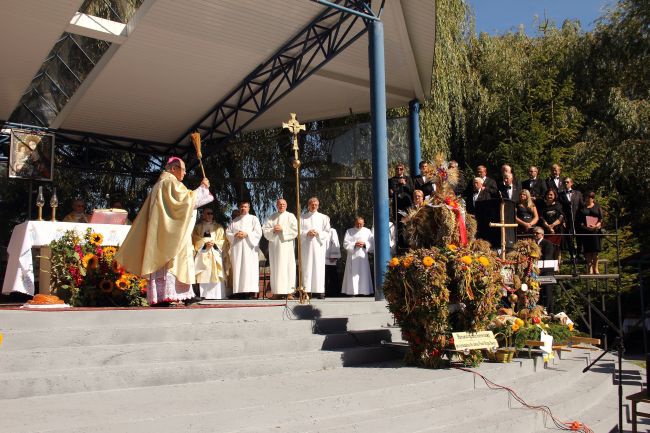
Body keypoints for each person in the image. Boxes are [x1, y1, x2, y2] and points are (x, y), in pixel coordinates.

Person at [114, 156, 213, 306]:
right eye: (183, 170)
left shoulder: (162, 183)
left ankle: (185, 294)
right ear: (173, 169)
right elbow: (185, 201)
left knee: (180, 261)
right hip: (169, 233)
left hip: (169, 230)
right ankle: (166, 296)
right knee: (173, 262)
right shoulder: (169, 182)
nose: (185, 173)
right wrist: (203, 189)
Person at [262, 198, 298, 298]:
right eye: (279, 204)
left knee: (288, 267)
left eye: (283, 204)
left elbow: (295, 231)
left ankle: (289, 293)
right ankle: (277, 292)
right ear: (276, 205)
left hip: (286, 246)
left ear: (286, 205)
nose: (281, 206)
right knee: (276, 268)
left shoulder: (290, 216)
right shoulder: (271, 217)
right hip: (275, 247)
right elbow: (265, 230)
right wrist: (273, 230)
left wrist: (283, 229)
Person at [226, 201, 263, 299]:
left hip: (249, 249)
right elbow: (228, 232)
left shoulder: (253, 219)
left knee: (249, 269)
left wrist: (247, 234)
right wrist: (235, 235)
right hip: (237, 249)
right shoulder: (235, 221)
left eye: (245, 207)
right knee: (238, 268)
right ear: (239, 208)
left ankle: (250, 293)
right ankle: (239, 292)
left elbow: (258, 232)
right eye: (242, 207)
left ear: (249, 208)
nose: (243, 208)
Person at [192, 208, 227, 300]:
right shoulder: (198, 227)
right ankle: (205, 295)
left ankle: (217, 295)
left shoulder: (218, 227)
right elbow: (195, 239)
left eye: (211, 213)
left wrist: (214, 244)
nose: (210, 215)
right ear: (203, 214)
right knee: (204, 273)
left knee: (217, 272)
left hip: (215, 253)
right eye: (207, 213)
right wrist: (204, 244)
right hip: (203, 253)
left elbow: (223, 240)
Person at [300, 197, 331, 299]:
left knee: (319, 267)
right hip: (307, 247)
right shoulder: (302, 218)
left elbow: (327, 231)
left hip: (318, 246)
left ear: (318, 205)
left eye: (316, 205)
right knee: (307, 267)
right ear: (308, 205)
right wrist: (306, 233)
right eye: (312, 204)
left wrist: (318, 233)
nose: (314, 206)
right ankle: (307, 291)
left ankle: (320, 291)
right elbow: (298, 232)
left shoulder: (324, 217)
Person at [341, 216, 374, 296]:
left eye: (361, 224)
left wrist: (365, 244)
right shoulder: (349, 231)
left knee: (363, 272)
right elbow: (345, 244)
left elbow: (372, 242)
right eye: (357, 224)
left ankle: (364, 291)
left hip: (362, 256)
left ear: (363, 223)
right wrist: (354, 244)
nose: (359, 225)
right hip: (352, 255)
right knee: (352, 274)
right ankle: (353, 292)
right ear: (355, 223)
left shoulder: (368, 231)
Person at [577, 191, 603, 274]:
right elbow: (579, 221)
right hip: (585, 231)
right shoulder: (582, 208)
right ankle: (589, 268)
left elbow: (600, 219)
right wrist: (586, 227)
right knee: (587, 251)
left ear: (593, 198)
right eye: (586, 197)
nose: (588, 199)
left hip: (595, 231)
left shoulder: (597, 207)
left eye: (590, 198)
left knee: (595, 251)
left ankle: (596, 267)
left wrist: (596, 226)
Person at [537, 189, 565, 260]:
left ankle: (557, 268)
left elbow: (561, 217)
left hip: (557, 231)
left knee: (557, 250)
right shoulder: (543, 206)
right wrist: (548, 227)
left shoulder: (558, 205)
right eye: (548, 194)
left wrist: (552, 225)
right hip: (547, 231)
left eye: (551, 195)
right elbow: (542, 218)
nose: (549, 196)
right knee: (547, 249)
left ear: (555, 196)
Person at [324, 227, 342, 298]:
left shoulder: (332, 230)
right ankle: (323, 292)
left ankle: (334, 292)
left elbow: (335, 242)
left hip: (330, 258)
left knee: (332, 275)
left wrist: (334, 255)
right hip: (320, 258)